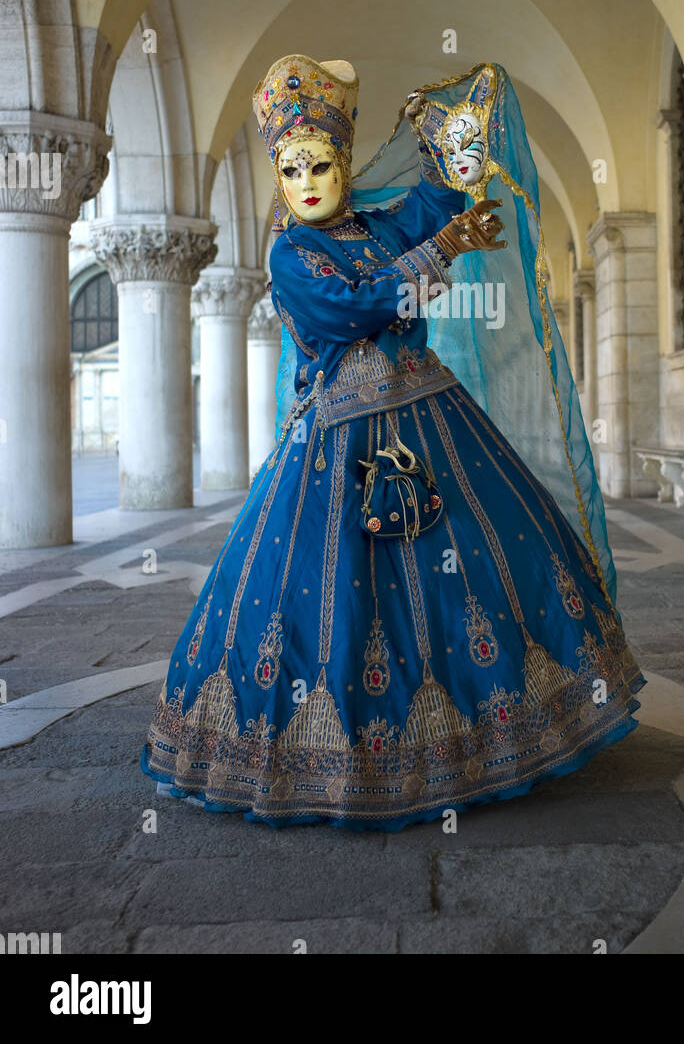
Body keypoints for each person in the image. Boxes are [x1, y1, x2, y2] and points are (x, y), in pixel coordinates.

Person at [141, 55, 645, 831]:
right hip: (335, 446)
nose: (306, 180)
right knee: (329, 592)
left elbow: (432, 200)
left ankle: (493, 736)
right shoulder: (289, 254)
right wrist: (447, 248)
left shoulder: (374, 227)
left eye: (321, 164)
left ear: (346, 164)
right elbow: (354, 308)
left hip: (434, 418)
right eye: (289, 168)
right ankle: (344, 759)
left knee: (487, 563)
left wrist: (460, 144)